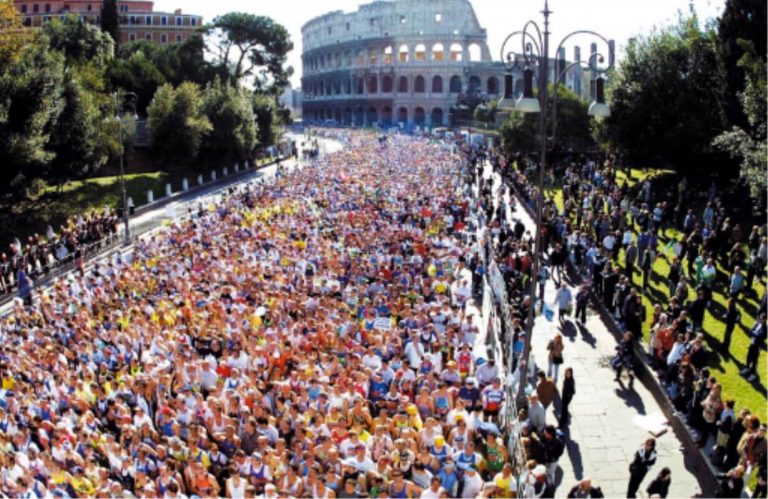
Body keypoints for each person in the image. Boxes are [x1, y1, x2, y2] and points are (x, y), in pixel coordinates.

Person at [741, 313, 767, 382]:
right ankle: (747, 367)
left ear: (765, 320)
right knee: (749, 356)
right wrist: (754, 332)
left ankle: (753, 373)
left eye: (762, 319)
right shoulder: (757, 324)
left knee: (754, 360)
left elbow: (759, 336)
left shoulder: (765, 329)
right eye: (760, 318)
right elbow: (750, 330)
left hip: (758, 346)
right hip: (752, 343)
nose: (760, 320)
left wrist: (753, 332)